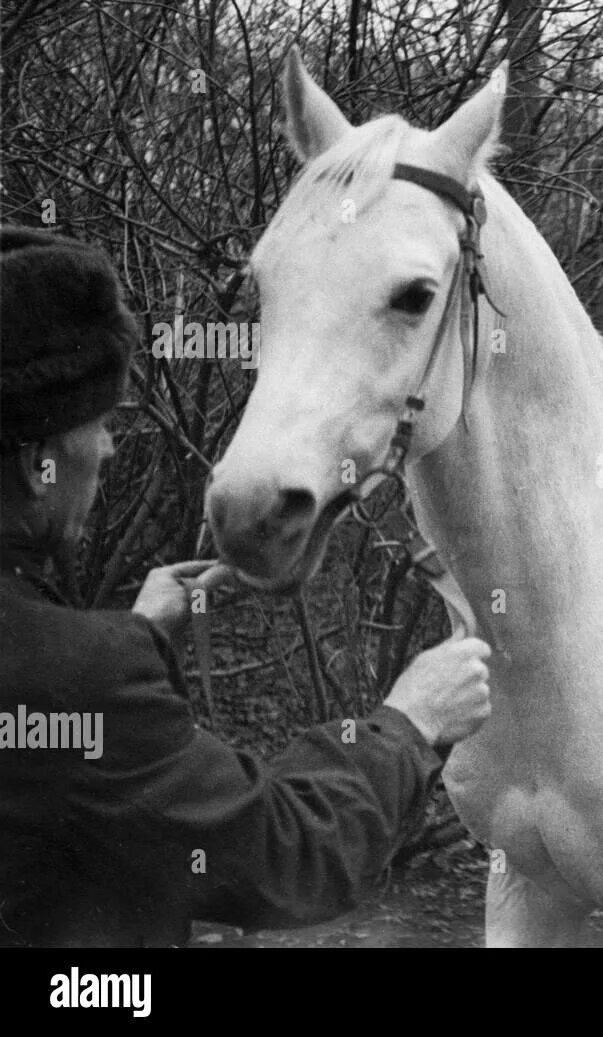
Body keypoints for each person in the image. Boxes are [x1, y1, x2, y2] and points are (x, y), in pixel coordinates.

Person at [0, 225, 492, 947]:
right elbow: (293, 854)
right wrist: (408, 722)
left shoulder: (59, 664)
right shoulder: (77, 679)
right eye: (99, 423)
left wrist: (127, 637)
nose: (107, 449)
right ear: (35, 459)